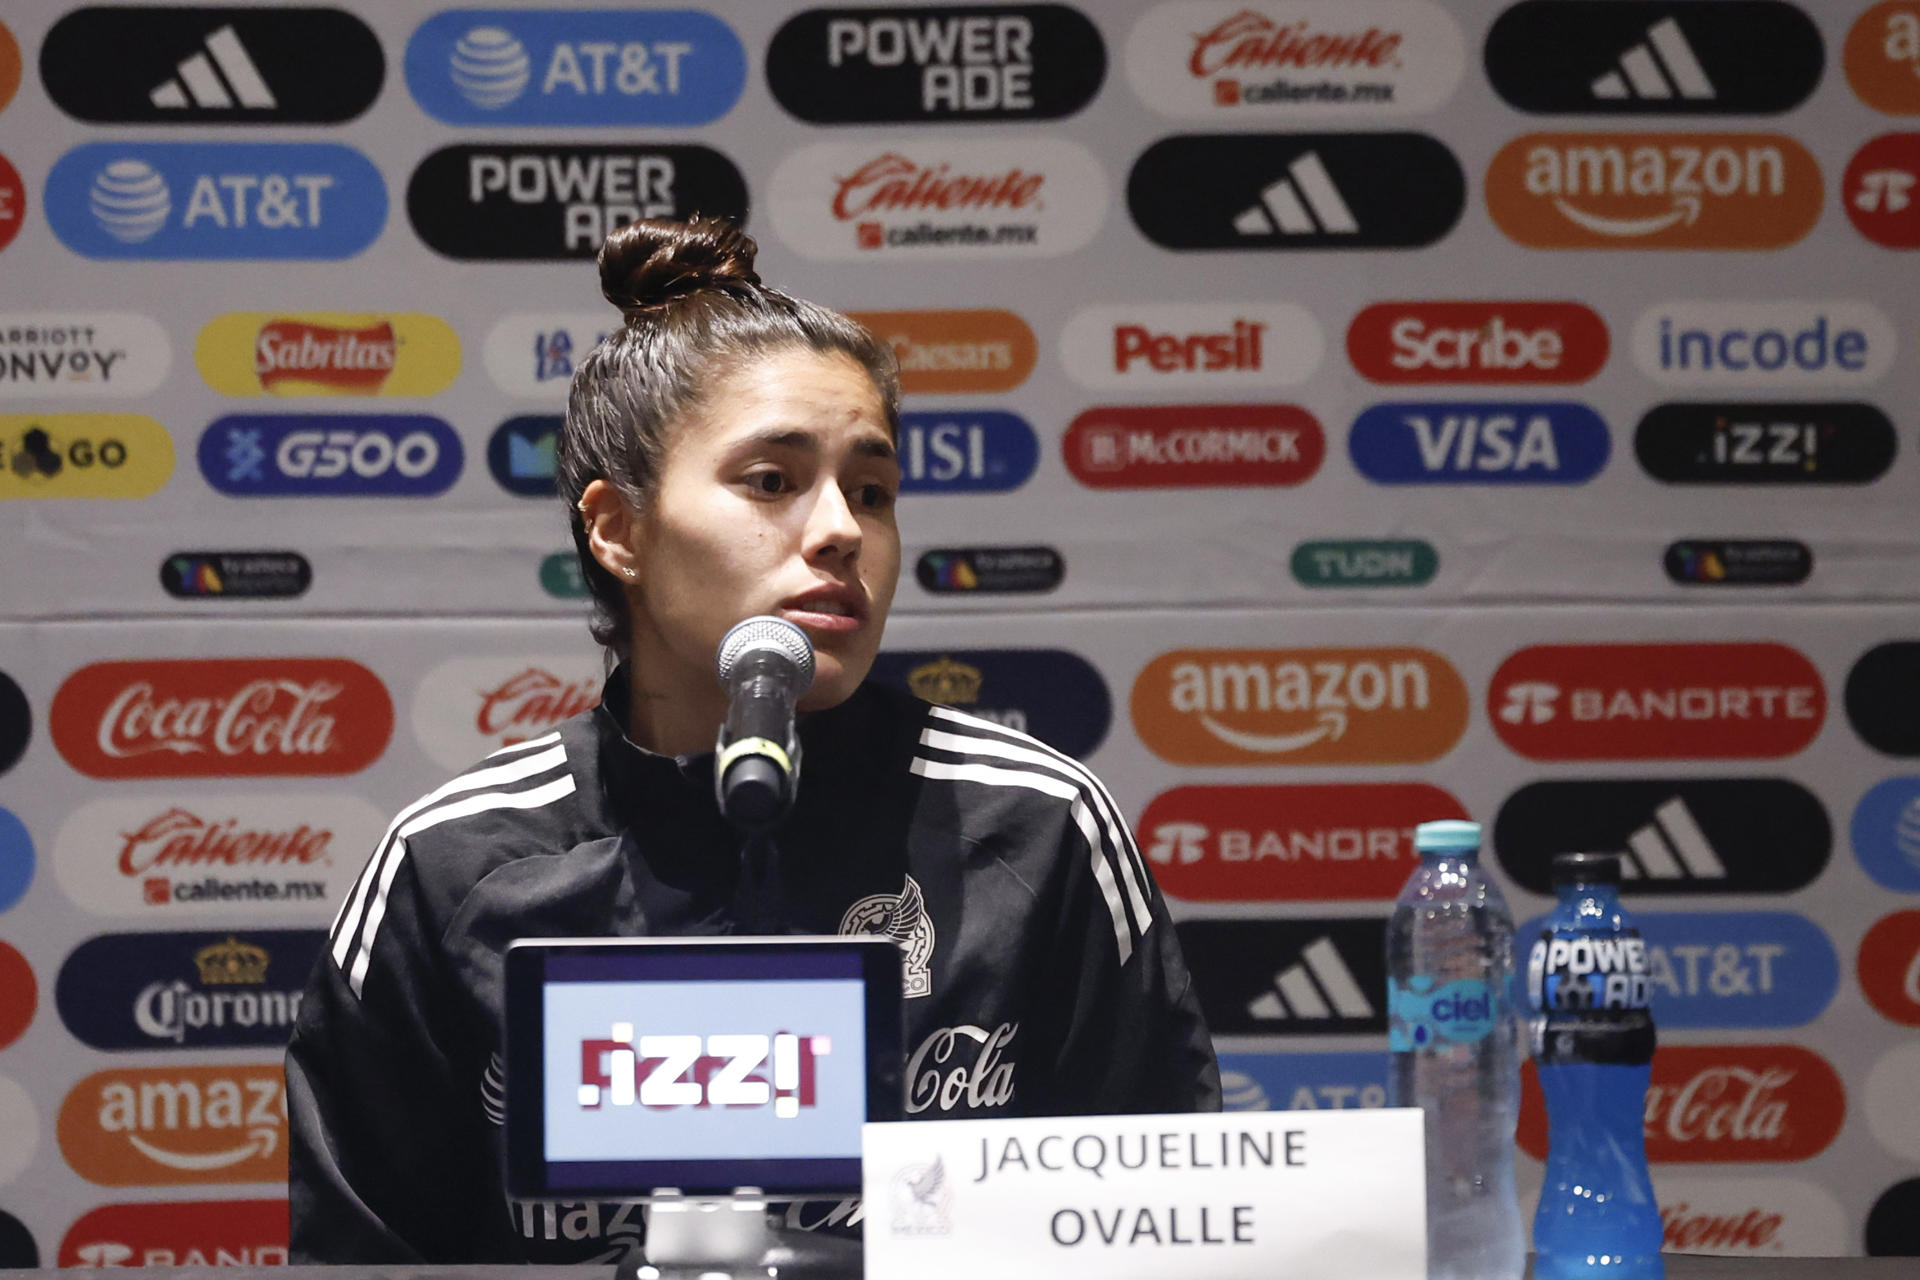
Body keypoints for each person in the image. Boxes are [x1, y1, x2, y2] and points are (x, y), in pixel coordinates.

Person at [284, 216, 1221, 1265]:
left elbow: (1171, 1240)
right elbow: (357, 1260)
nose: (839, 531)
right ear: (619, 529)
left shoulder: (1038, 826)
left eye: (872, 490)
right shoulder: (450, 862)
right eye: (772, 481)